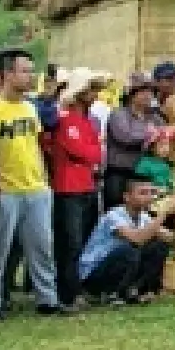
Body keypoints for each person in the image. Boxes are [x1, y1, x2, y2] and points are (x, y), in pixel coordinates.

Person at [0, 49, 63, 317]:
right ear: (7, 74)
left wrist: (44, 179)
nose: (30, 76)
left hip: (36, 186)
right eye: (24, 70)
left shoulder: (29, 107)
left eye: (30, 70)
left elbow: (35, 144)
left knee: (42, 248)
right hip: (5, 188)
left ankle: (47, 299)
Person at [46, 69, 106, 311]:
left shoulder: (84, 121)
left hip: (85, 186)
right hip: (68, 188)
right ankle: (68, 293)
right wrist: (92, 152)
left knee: (83, 241)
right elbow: (87, 152)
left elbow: (94, 153)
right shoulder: (66, 120)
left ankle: (78, 289)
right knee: (70, 243)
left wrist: (92, 152)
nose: (94, 94)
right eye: (90, 89)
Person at [77, 175, 172, 304]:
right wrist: (164, 213)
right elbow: (137, 239)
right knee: (129, 250)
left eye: (151, 193)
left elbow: (172, 240)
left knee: (159, 247)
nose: (149, 197)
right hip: (94, 274)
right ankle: (107, 293)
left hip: (119, 268)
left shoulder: (144, 216)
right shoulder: (113, 215)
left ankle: (136, 291)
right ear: (127, 197)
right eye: (143, 193)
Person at [102, 75, 161, 208]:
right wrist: (150, 134)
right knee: (116, 215)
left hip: (144, 174)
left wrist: (156, 136)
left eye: (150, 91)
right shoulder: (118, 114)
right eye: (143, 91)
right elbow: (125, 136)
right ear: (131, 94)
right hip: (119, 174)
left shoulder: (155, 117)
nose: (148, 95)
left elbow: (163, 136)